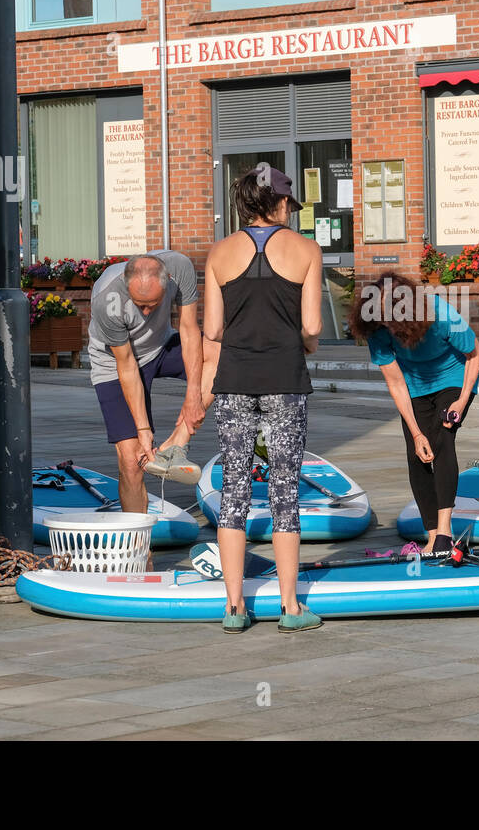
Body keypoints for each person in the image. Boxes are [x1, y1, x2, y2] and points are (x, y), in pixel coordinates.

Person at [204, 164, 322, 633]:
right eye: (288, 204)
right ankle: (290, 607)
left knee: (233, 488)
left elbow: (212, 329)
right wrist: (301, 341)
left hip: (233, 379)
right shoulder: (305, 249)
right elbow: (312, 327)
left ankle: (234, 607)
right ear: (278, 203)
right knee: (284, 489)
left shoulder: (218, 253)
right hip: (285, 378)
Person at [348, 272, 479, 555]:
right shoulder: (376, 329)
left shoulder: (440, 313)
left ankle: (445, 531)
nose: (387, 325)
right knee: (417, 452)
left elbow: (474, 353)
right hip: (416, 384)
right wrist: (416, 432)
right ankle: (432, 535)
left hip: (453, 378)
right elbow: (396, 382)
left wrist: (461, 400)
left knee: (442, 438)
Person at [88, 251, 206, 509]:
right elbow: (127, 365)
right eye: (139, 304)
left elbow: (188, 330)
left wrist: (193, 396)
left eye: (151, 304)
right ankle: (138, 547)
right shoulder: (106, 299)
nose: (144, 311)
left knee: (223, 355)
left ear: (168, 281)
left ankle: (174, 446)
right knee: (132, 461)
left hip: (160, 346)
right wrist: (144, 431)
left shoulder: (181, 268)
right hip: (114, 363)